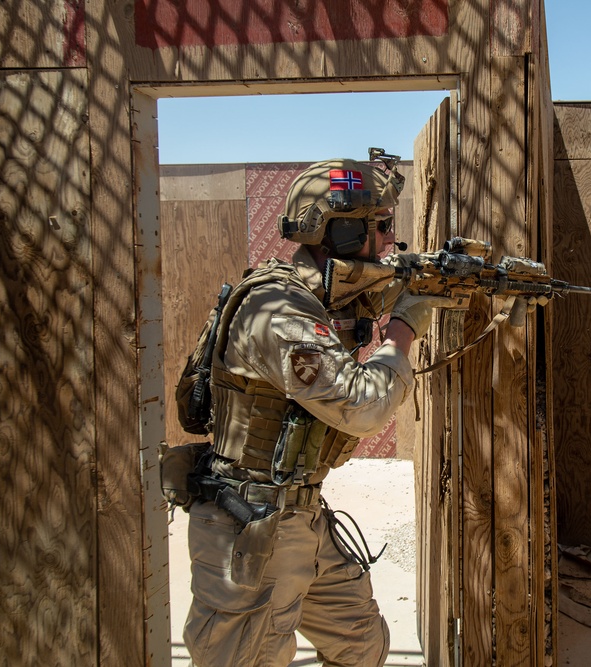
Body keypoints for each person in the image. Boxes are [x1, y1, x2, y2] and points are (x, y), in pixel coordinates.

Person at [182, 154, 449, 667]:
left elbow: (374, 288)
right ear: (345, 233)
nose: (392, 240)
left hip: (298, 512)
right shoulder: (278, 310)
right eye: (383, 226)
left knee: (360, 644)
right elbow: (364, 406)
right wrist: (402, 332)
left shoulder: (324, 292)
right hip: (249, 524)